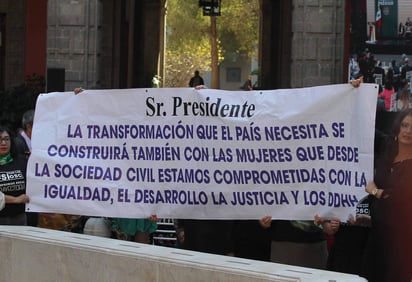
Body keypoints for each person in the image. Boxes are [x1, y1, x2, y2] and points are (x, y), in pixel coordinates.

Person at [362, 109, 412, 282]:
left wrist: (376, 192)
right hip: (377, 234)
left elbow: (400, 195)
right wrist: (356, 92)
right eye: (405, 125)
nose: (408, 131)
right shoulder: (387, 148)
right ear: (397, 126)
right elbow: (366, 127)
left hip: (401, 239)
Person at [0, 125, 30, 225]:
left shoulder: (22, 161)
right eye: (0, 139)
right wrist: (16, 200)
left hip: (20, 218)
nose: (3, 143)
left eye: (6, 139)